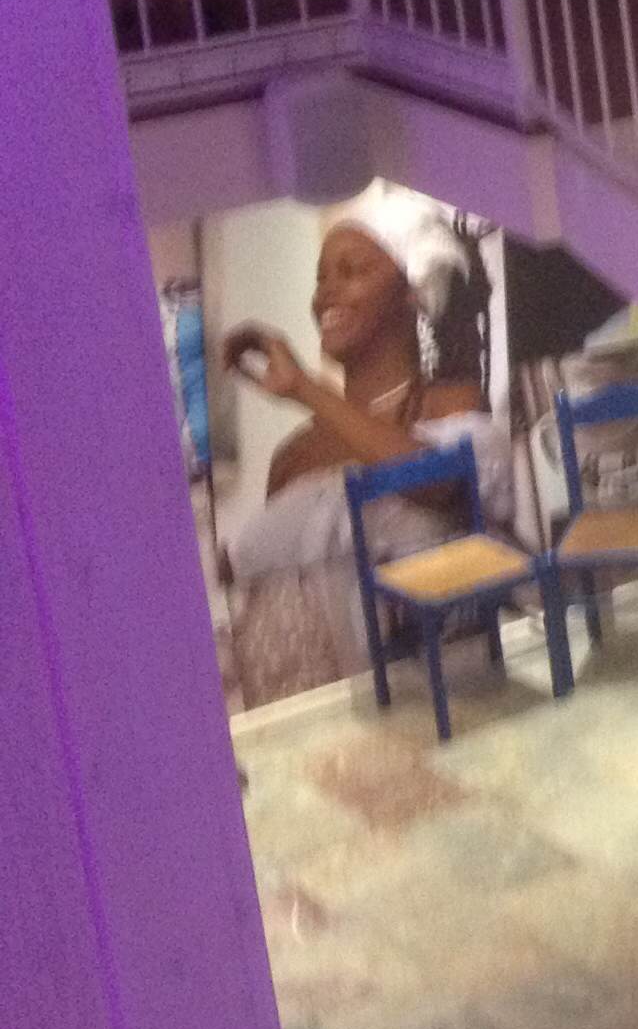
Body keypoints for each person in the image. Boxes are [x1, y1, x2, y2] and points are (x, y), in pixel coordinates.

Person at [214, 188, 509, 706]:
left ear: (410, 291)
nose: (326, 294)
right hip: (319, 718)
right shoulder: (294, 457)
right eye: (320, 278)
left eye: (351, 271)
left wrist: (307, 389)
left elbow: (439, 482)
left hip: (453, 703)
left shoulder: (448, 405)